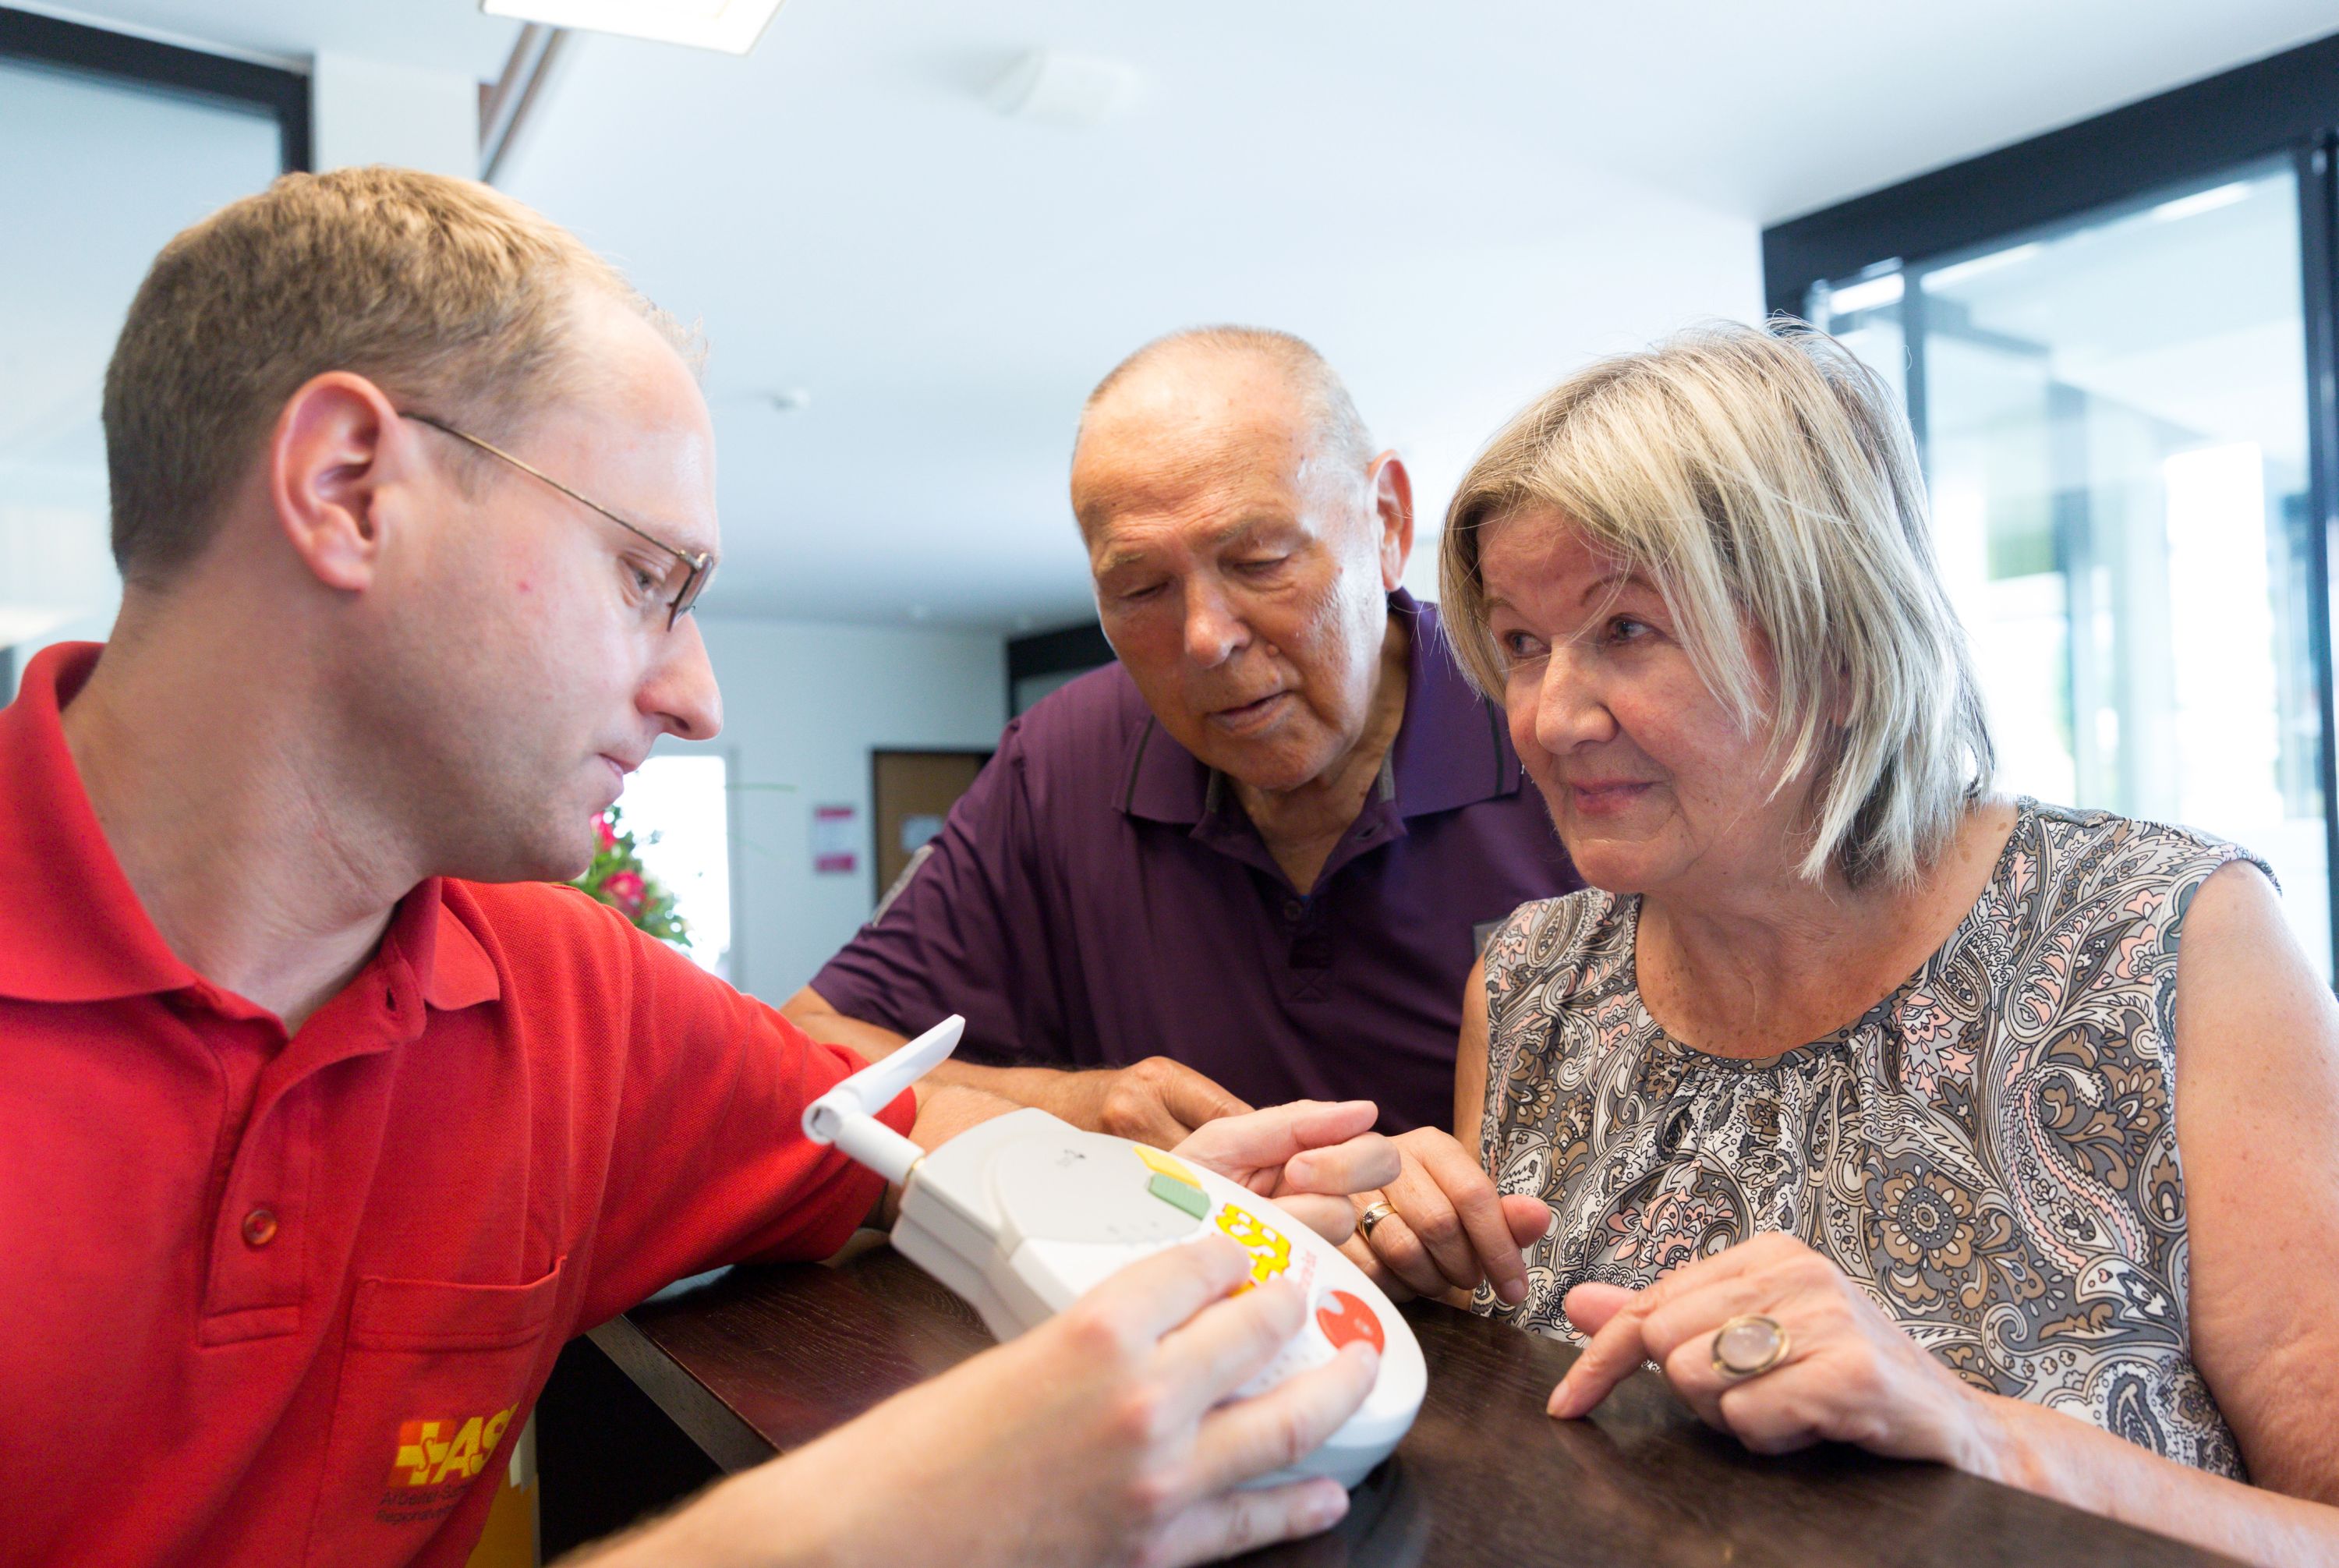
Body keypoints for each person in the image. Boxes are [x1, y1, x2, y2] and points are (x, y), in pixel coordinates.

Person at [0, 167, 1403, 1568]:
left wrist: (1138, 1195)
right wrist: (880, 1526)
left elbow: (886, 1135)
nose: (697, 697)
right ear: (349, 488)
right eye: (645, 576)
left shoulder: (567, 1003)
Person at [1353, 320, 2339, 1563]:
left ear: (1835, 640)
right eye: (1522, 643)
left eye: (1627, 630)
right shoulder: (1535, 982)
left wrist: (1977, 1433)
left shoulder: (2167, 937)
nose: (1549, 717)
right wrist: (1410, 1294)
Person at [786, 327, 1580, 1144]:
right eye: (1140, 588)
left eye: (1261, 559)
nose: (1205, 638)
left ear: (1386, 523)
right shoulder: (1063, 764)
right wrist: (1075, 1112)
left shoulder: (1554, 728)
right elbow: (809, 1051)